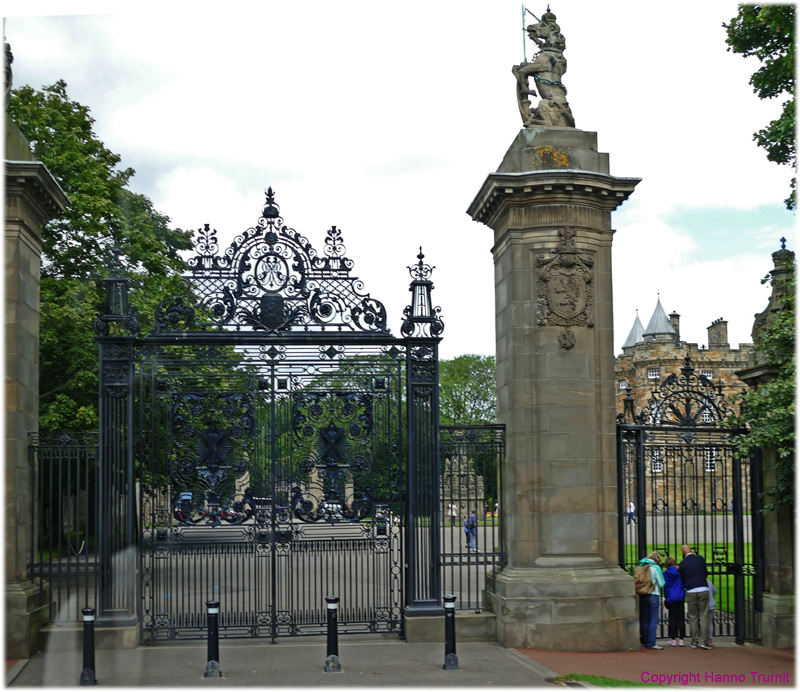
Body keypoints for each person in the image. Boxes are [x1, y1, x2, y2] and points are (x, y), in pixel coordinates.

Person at [679, 544, 711, 649]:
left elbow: (682, 579)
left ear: (683, 553)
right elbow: (705, 572)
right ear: (691, 550)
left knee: (693, 617)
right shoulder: (700, 558)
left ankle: (694, 641)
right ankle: (704, 641)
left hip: (691, 590)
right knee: (704, 616)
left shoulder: (683, 564)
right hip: (703, 588)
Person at [638, 550, 665, 650]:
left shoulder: (641, 566)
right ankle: (651, 643)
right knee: (653, 619)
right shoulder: (655, 567)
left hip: (642, 594)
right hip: (653, 594)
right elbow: (661, 583)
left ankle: (645, 640)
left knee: (645, 619)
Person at [663, 556, 685, 646]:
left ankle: (673, 639)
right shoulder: (679, 572)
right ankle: (681, 639)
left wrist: (666, 597)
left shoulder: (666, 573)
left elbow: (666, 586)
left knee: (672, 618)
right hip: (680, 596)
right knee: (680, 618)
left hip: (671, 597)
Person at [707, 579, 717, 646]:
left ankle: (703, 638)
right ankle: (710, 639)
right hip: (711, 605)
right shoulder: (709, 583)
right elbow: (715, 591)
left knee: (702, 622)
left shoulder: (697, 583)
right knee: (710, 623)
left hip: (703, 606)